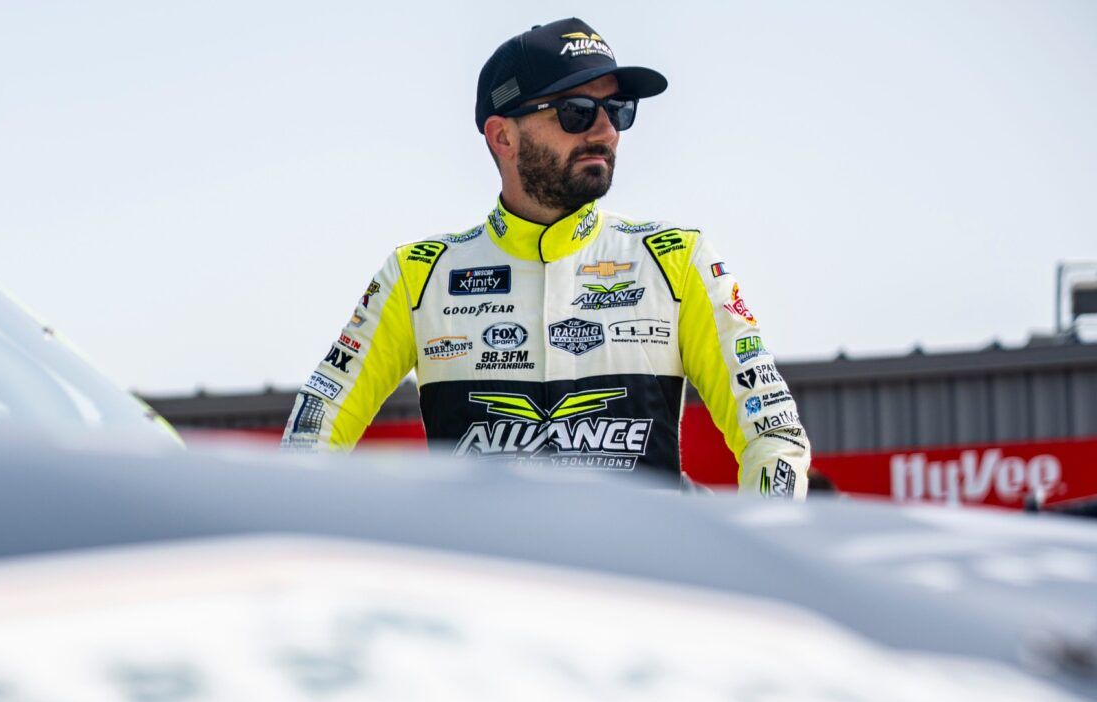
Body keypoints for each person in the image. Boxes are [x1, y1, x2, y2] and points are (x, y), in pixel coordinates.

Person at [281, 18, 810, 498]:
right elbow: (313, 432)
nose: (606, 130)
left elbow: (775, 436)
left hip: (636, 596)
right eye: (577, 112)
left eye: (619, 110)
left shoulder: (674, 260)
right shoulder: (420, 273)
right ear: (503, 135)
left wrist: (757, 564)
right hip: (484, 598)